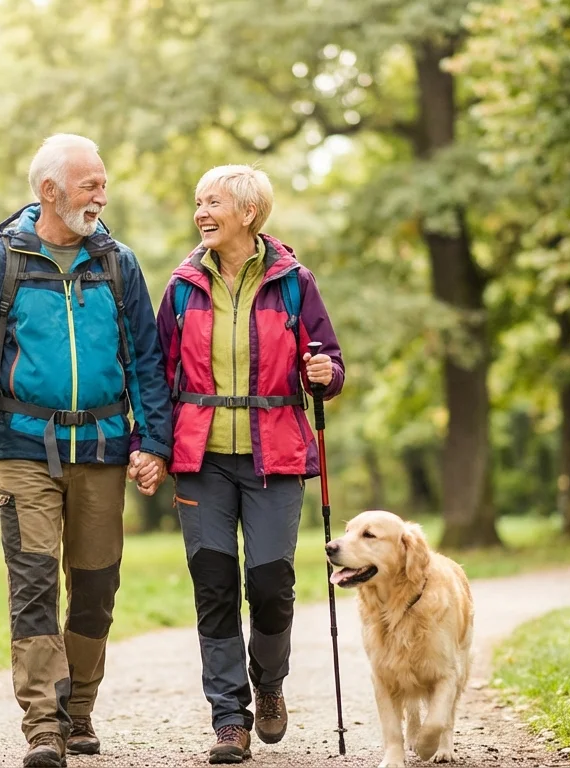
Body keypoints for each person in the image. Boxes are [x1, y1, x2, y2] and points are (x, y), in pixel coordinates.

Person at [0, 134, 171, 768]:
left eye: (102, 183)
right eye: (89, 184)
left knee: (96, 586)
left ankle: (80, 709)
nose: (101, 194)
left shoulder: (119, 263)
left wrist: (152, 441)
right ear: (49, 192)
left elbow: (147, 361)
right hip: (23, 446)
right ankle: (43, 723)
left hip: (102, 446)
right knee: (35, 581)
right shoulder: (1, 261)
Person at [155, 165, 345, 764]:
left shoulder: (293, 283)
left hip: (275, 457)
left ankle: (268, 683)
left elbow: (330, 362)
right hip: (201, 460)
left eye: (212, 203)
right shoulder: (183, 287)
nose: (201, 213)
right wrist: (150, 447)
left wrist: (325, 374)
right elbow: (157, 376)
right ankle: (228, 718)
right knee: (213, 585)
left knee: (270, 584)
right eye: (197, 203)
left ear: (248, 213)